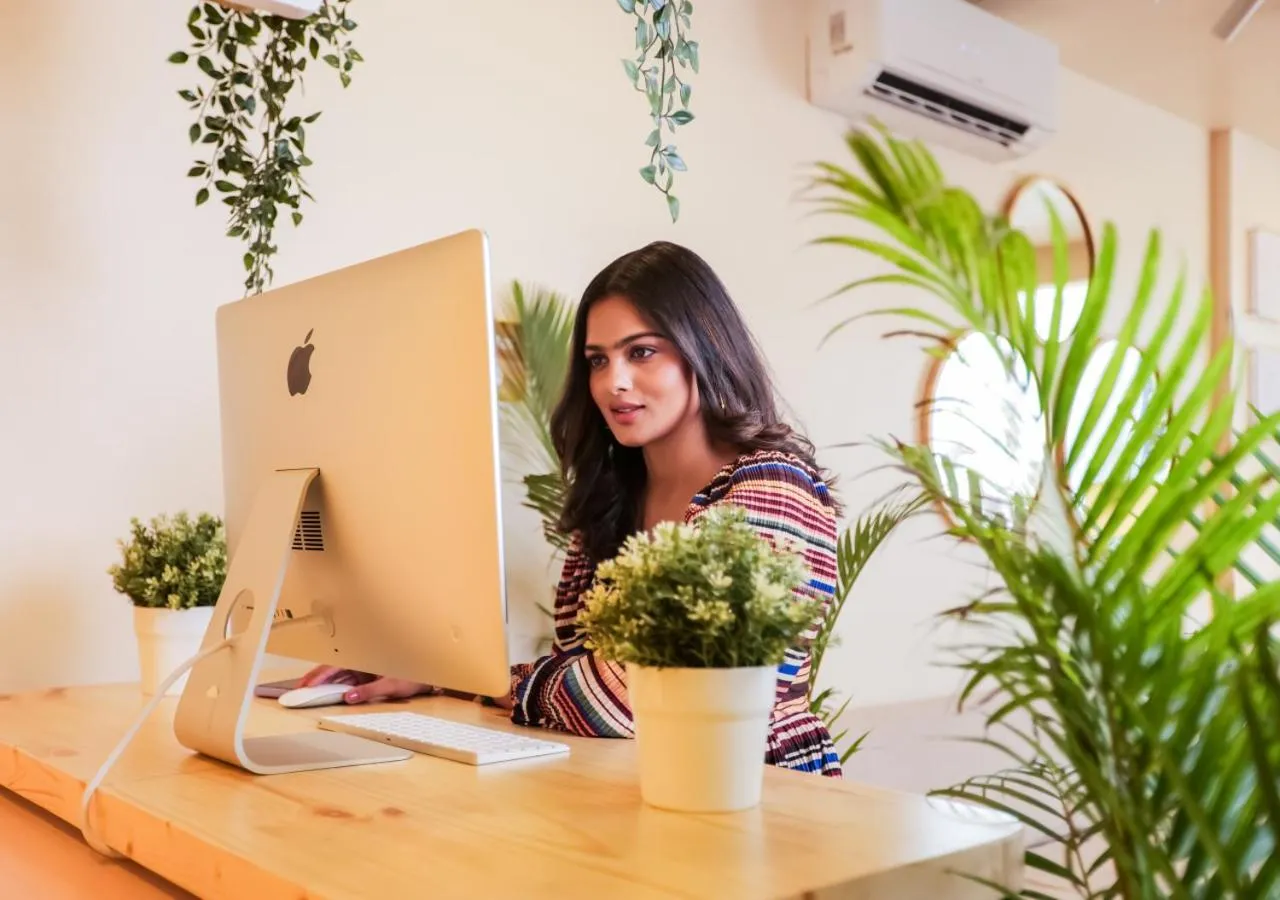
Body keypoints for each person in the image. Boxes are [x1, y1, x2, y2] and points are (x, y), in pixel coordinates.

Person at [298, 241, 844, 777]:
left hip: (760, 788)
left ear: (704, 347)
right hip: (627, 782)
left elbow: (637, 695)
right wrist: (431, 673)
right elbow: (585, 676)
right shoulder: (611, 499)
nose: (613, 382)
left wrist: (483, 681)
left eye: (641, 352)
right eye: (597, 360)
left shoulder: (773, 486)